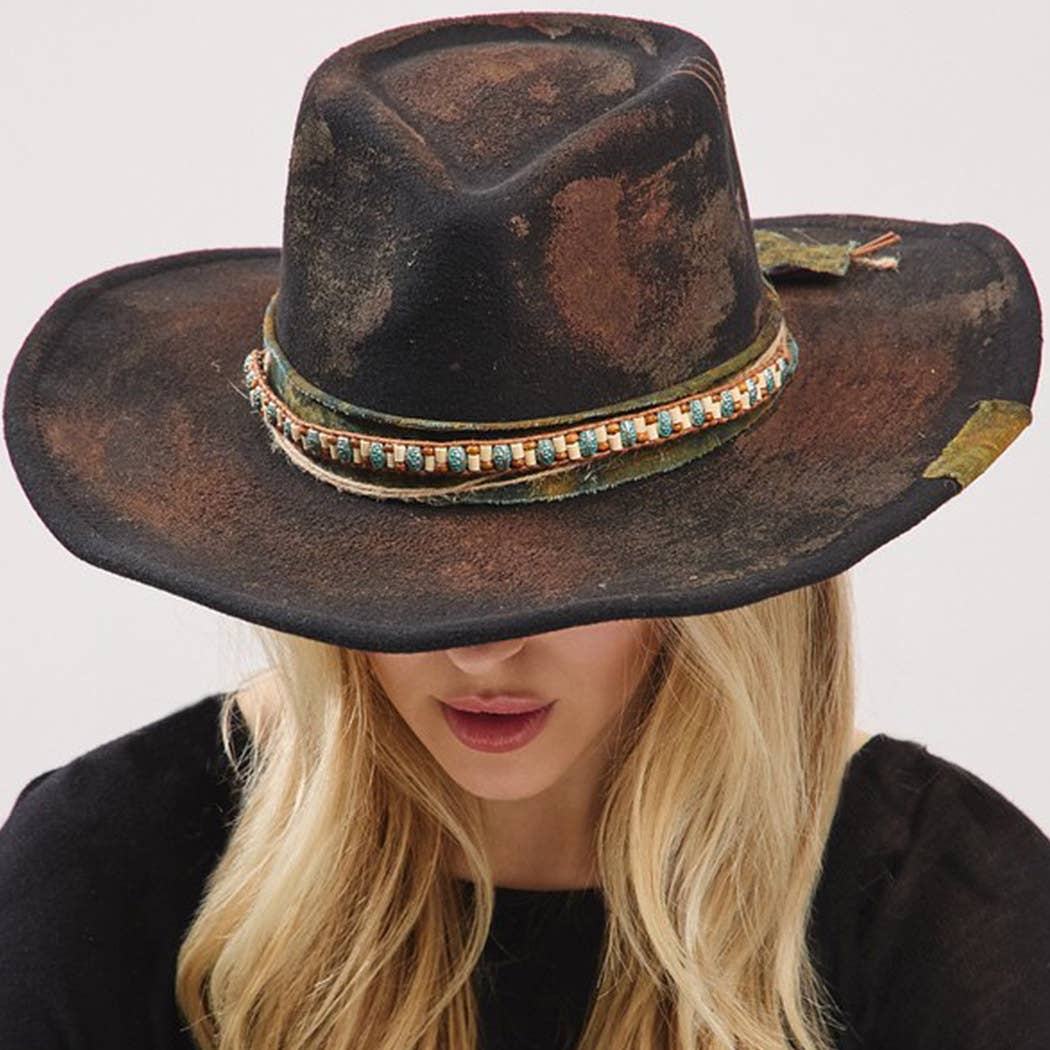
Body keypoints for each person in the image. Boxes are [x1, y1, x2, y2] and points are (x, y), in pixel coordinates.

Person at [2, 11, 1048, 1050]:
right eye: (405, 569)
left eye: (565, 571)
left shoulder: (948, 923)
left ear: (723, 574)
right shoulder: (100, 881)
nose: (480, 651)